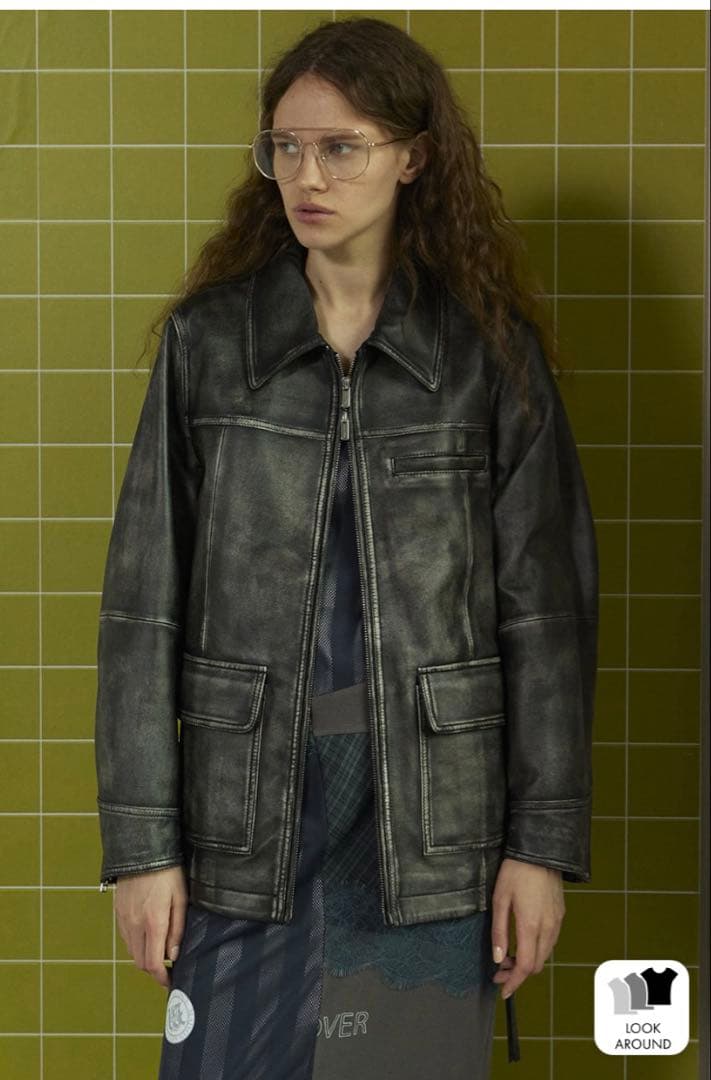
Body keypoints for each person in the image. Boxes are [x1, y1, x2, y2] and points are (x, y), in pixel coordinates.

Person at [93, 17, 598, 1080]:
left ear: (412, 158)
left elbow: (546, 623)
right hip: (245, 817)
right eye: (285, 147)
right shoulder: (209, 345)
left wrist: (539, 849)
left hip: (431, 823)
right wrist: (142, 851)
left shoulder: (486, 357)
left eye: (340, 147)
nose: (306, 176)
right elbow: (142, 615)